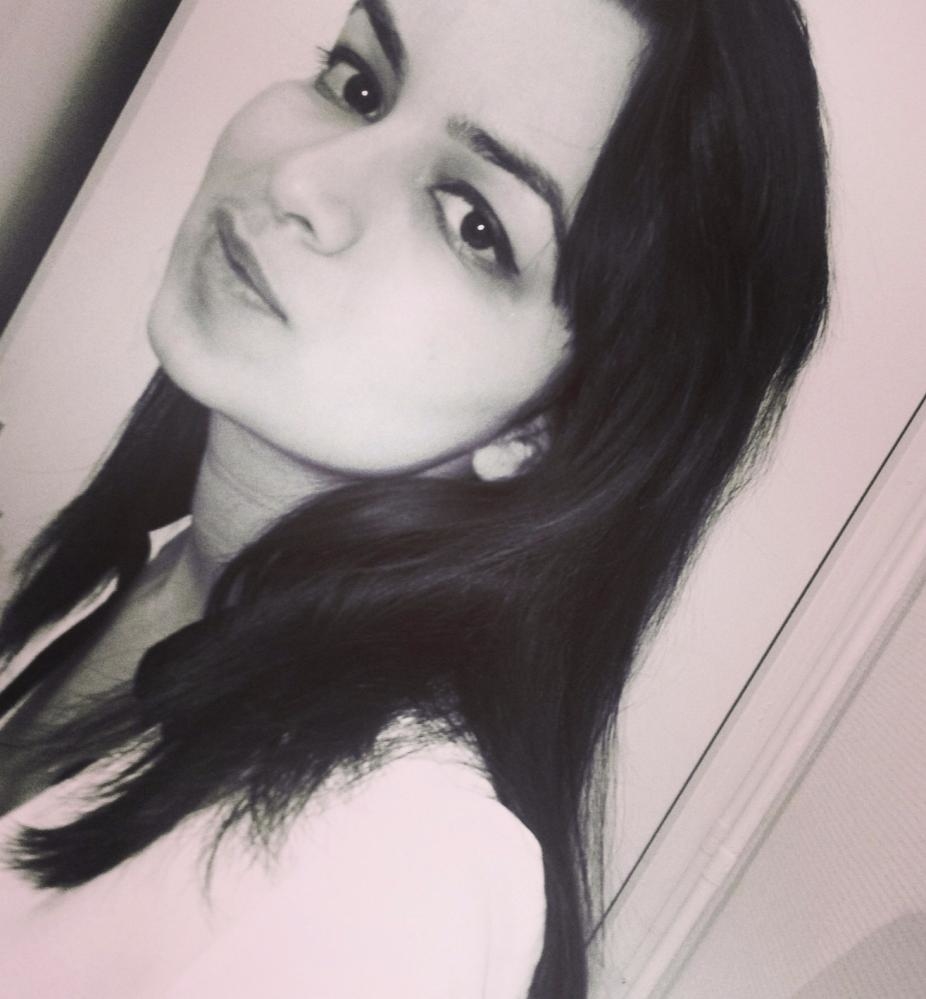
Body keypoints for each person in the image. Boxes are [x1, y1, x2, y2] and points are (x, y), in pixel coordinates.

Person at [0, 0, 828, 995]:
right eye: (358, 86)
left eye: (473, 221)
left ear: (547, 427)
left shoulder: (398, 874)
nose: (302, 181)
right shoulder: (139, 572)